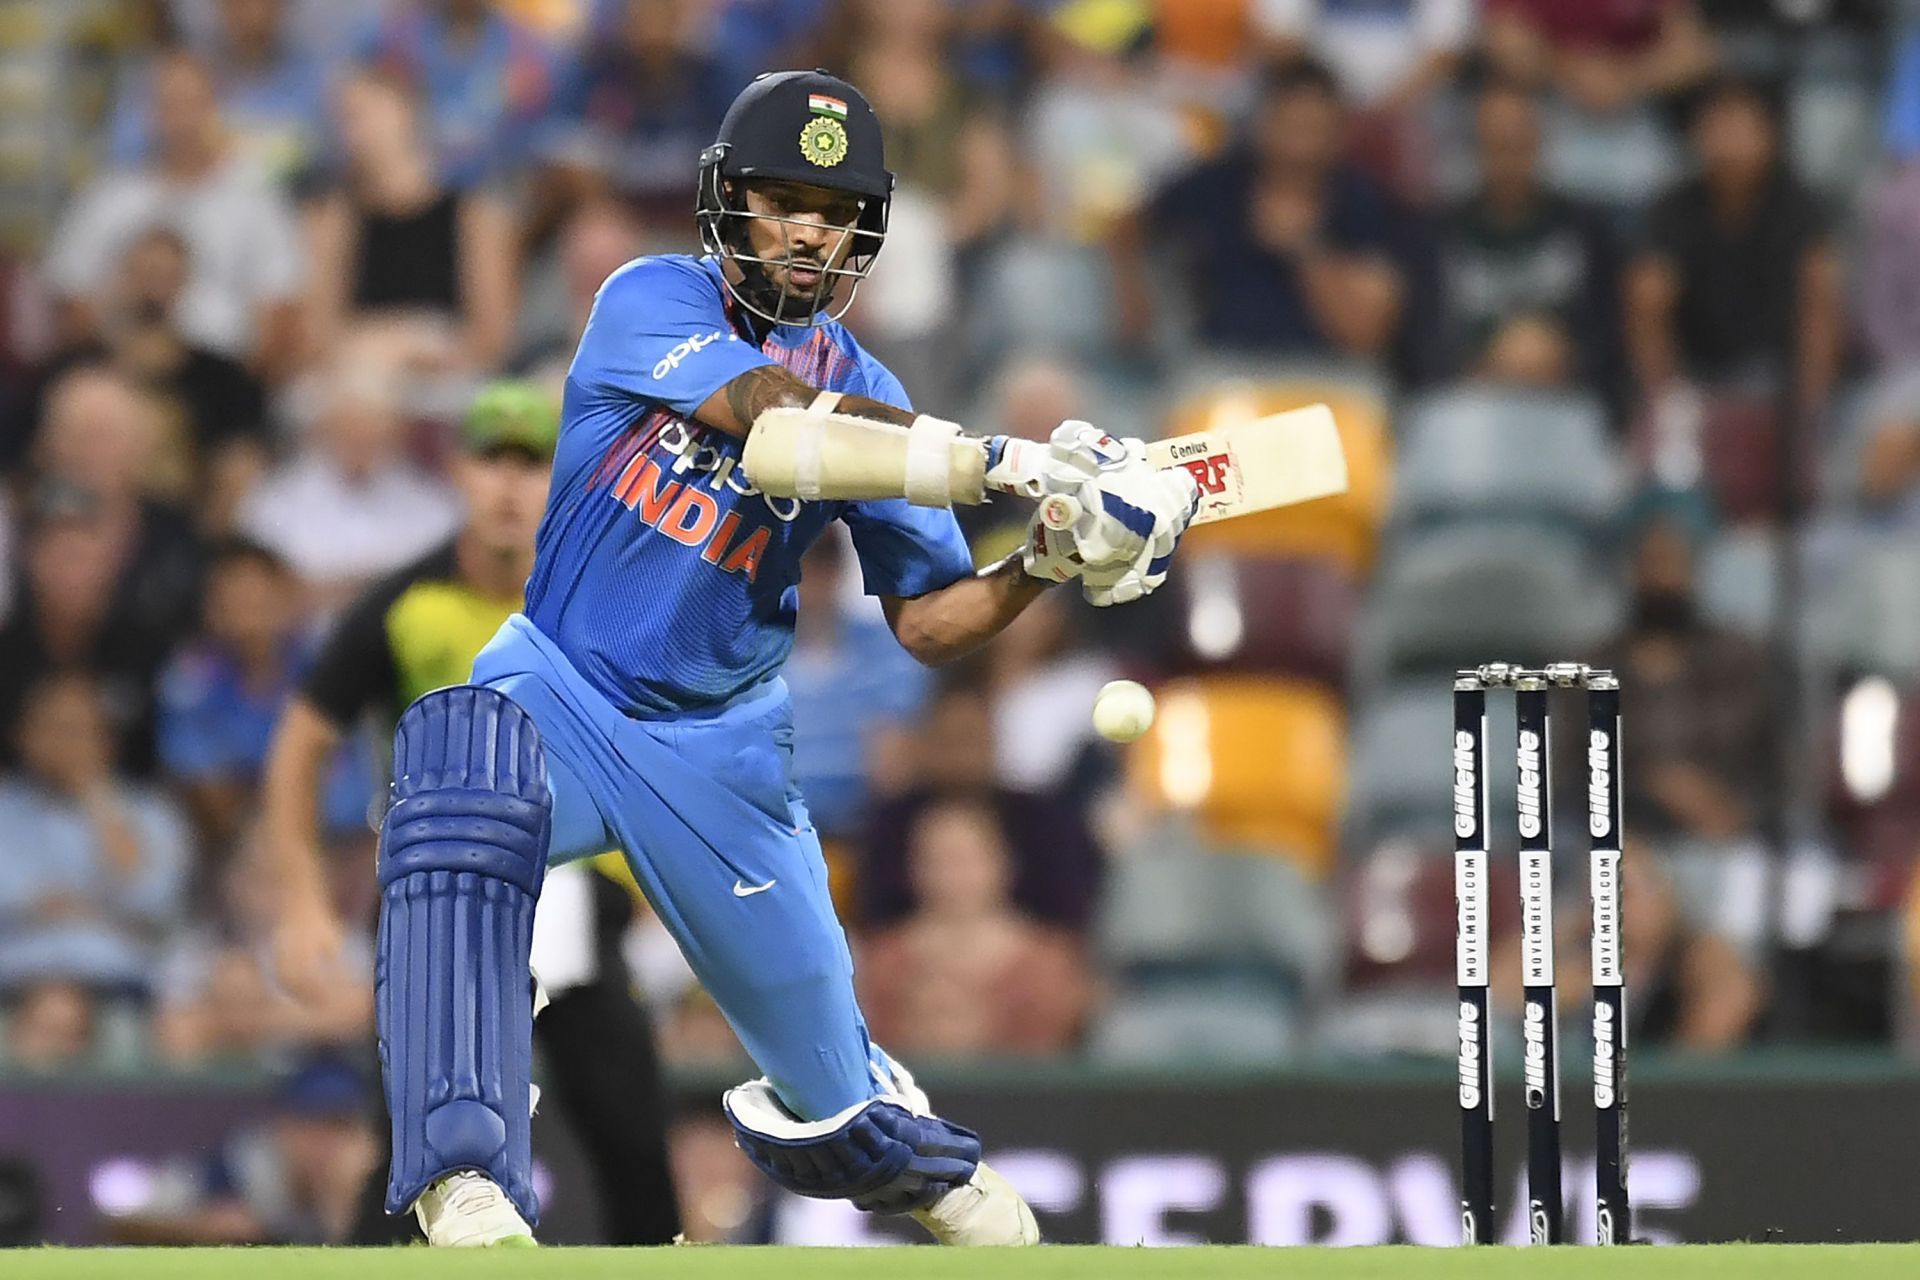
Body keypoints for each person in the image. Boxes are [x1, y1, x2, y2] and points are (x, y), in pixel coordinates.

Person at [271, 70, 1198, 1248]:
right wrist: (1009, 463)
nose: (810, 228)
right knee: (455, 780)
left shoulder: (880, 394)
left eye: (836, 207)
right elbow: (776, 425)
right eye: (783, 198)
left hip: (723, 747)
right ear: (727, 201)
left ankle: (932, 1170)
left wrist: (1052, 557)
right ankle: (468, 1177)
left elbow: (929, 619)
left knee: (844, 1106)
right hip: (559, 681)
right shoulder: (648, 298)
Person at [261, 381, 679, 1246]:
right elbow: (300, 743)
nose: (510, 486)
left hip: (573, 896)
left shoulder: (606, 601)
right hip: (441, 901)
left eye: (534, 466)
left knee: (633, 1137)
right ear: (458, 471)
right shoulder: (407, 602)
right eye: (494, 460)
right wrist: (300, 899)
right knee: (414, 1148)